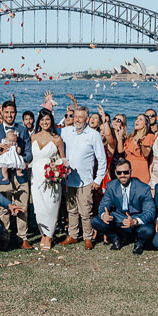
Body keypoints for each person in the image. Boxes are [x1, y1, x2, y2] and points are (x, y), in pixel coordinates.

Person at [0, 100, 33, 249]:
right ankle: (5, 237)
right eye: (6, 112)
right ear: (2, 113)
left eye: (12, 112)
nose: (9, 115)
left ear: (16, 113)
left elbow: (29, 153)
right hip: (2, 174)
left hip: (20, 174)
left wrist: (20, 159)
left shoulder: (22, 130)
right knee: (3, 207)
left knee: (22, 205)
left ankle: (22, 237)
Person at [60, 106, 106, 250]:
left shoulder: (93, 135)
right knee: (71, 209)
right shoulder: (66, 131)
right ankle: (73, 235)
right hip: (68, 179)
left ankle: (87, 237)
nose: (77, 120)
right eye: (75, 116)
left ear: (86, 119)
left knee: (86, 211)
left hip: (86, 180)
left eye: (81, 117)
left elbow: (102, 159)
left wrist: (98, 180)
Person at [91, 159, 155, 254]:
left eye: (125, 172)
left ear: (130, 172)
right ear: (115, 173)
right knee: (96, 221)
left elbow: (150, 212)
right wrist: (104, 214)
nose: (122, 175)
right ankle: (117, 239)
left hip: (136, 219)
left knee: (148, 230)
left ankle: (139, 242)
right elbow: (104, 204)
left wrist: (134, 221)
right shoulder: (111, 186)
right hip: (119, 218)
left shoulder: (143, 188)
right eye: (119, 172)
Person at [30, 109, 65, 250]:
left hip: (51, 176)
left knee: (51, 206)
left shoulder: (57, 139)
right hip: (35, 176)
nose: (45, 122)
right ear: (39, 121)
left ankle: (49, 235)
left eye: (47, 119)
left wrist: (57, 171)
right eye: (42, 120)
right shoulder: (33, 137)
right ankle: (43, 233)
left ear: (51, 121)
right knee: (38, 208)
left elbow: (63, 159)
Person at [118, 114, 154, 184]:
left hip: (141, 170)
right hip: (128, 170)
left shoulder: (149, 136)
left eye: (140, 119)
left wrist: (140, 144)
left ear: (145, 124)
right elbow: (120, 150)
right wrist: (120, 137)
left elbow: (146, 154)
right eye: (136, 119)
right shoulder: (130, 137)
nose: (137, 121)